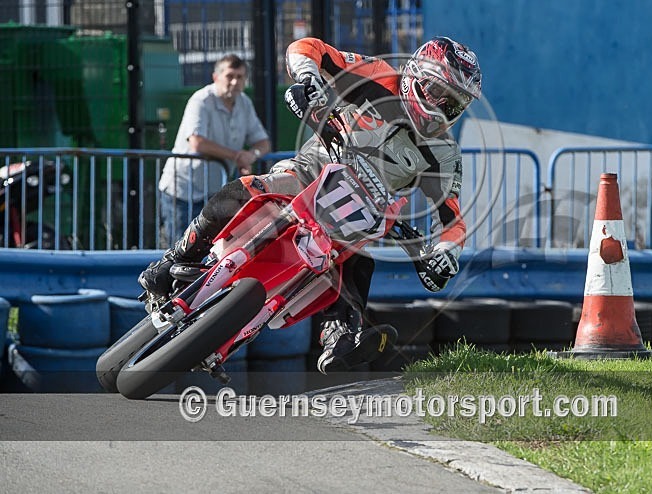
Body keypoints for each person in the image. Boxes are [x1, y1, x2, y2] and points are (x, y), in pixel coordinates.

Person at [139, 36, 482, 373]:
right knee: (245, 189)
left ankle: (340, 333)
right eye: (438, 92)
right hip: (308, 173)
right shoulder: (376, 74)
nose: (442, 107)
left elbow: (452, 217)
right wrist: (308, 78)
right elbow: (308, 47)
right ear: (415, 76)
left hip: (358, 216)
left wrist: (445, 253)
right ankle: (176, 258)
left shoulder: (444, 154)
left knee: (359, 260)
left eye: (454, 103)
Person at [158, 54, 271, 247]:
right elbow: (197, 143)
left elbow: (263, 142)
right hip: (183, 193)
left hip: (215, 195)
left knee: (214, 252)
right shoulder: (201, 100)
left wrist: (251, 155)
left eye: (240, 77)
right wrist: (237, 156)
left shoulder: (244, 102)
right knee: (180, 252)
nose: (235, 82)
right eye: (230, 76)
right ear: (216, 77)